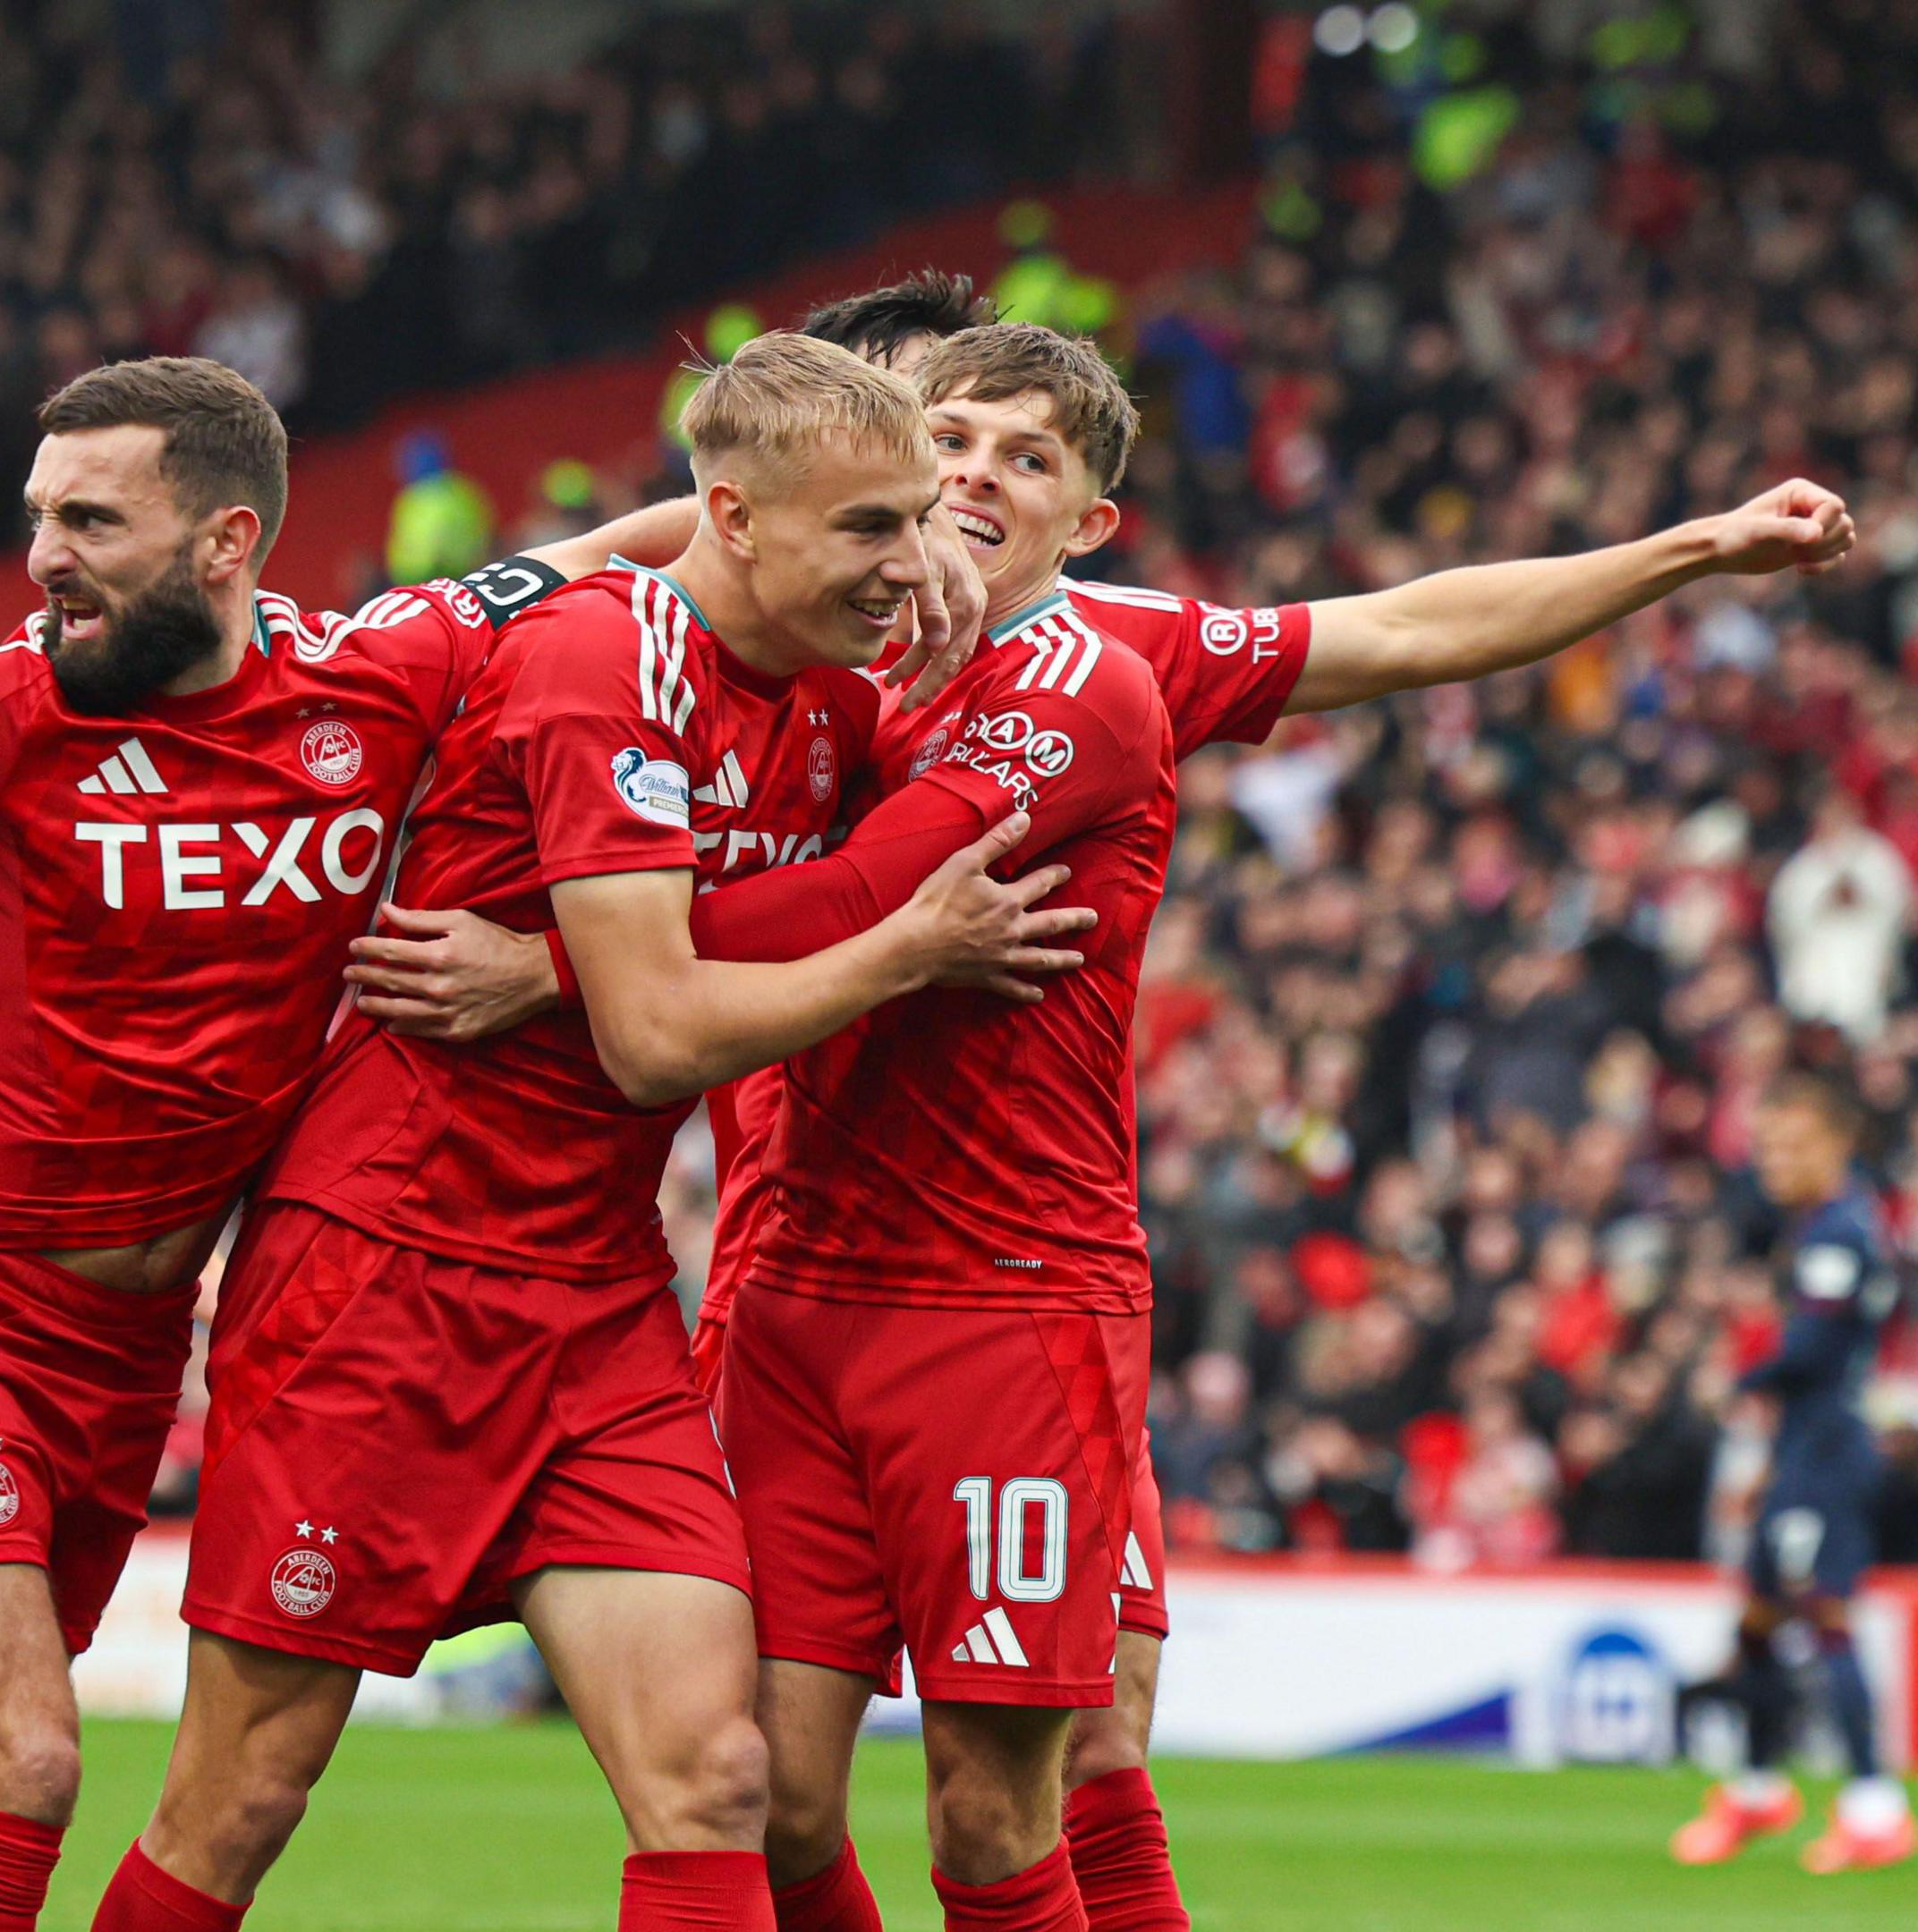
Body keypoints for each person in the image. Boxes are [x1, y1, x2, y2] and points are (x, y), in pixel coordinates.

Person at [392, 318, 1856, 1931]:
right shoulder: (810, 617)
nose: (971, 481)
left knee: (1041, 1778)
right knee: (771, 1795)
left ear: (1088, 521)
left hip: (1009, 1298)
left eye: (1028, 460)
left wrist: (1695, 548)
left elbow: (1408, 629)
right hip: (786, 1282)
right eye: (947, 443)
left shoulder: (1101, 666)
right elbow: (590, 570)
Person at [0, 296, 848, 1931]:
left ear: (227, 540)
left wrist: (913, 548)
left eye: (90, 521)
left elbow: (680, 522)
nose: (43, 554)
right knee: (28, 1762)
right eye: (38, 515)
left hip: (128, 1359)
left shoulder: (386, 670)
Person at [95, 335, 1091, 1932]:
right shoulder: (595, 660)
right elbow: (654, 1036)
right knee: (241, 1798)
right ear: (738, 518)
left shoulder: (834, 697)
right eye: (870, 530)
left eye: (916, 523)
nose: (910, 565)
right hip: (385, 1281)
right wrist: (909, 947)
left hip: (597, 1299)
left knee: (717, 1775)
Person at [1671, 1073, 1914, 1875]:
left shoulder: (1842, 1231)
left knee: (1825, 1615)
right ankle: (1758, 1790)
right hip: (1802, 1452)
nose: (1774, 1159)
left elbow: (1813, 1353)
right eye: (1767, 1143)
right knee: (1762, 1619)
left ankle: (1875, 1807)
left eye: (1792, 1143)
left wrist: (1738, 1383)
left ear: (1838, 1144)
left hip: (1832, 1456)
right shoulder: (1817, 1227)